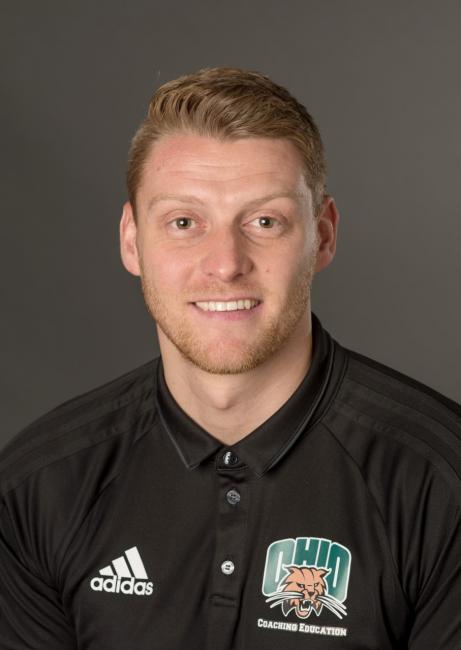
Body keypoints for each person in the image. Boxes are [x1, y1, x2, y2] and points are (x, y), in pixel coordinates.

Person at [0, 67, 460, 650]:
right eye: (184, 222)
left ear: (322, 236)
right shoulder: (39, 488)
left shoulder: (441, 486)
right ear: (131, 240)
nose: (225, 262)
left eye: (265, 221)